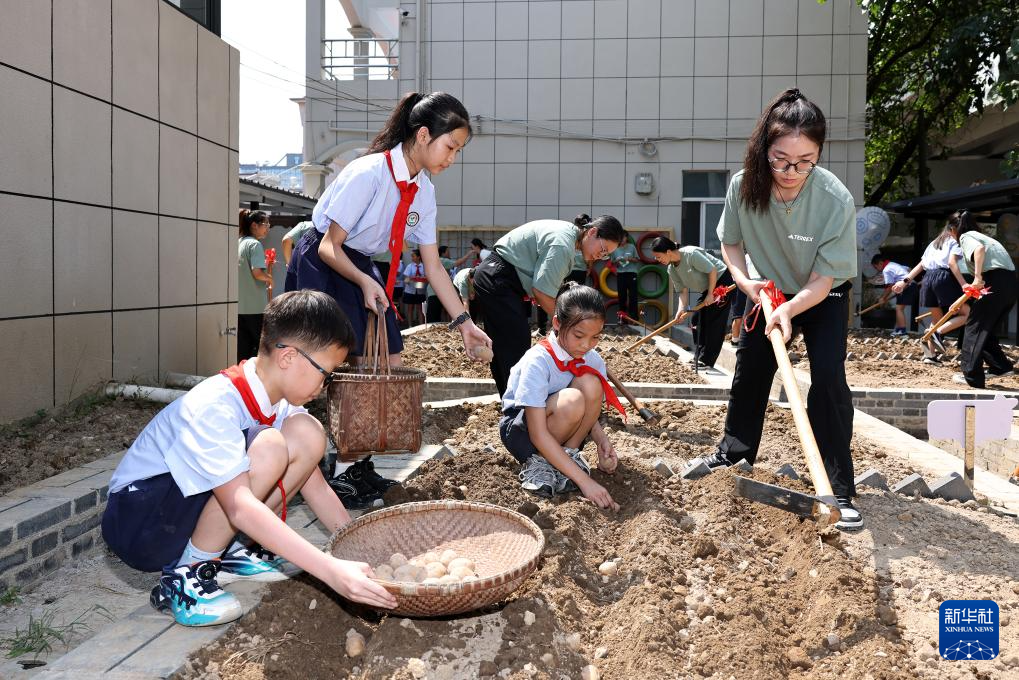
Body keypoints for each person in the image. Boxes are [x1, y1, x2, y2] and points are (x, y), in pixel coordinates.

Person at [101, 291, 398, 627]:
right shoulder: (217, 404)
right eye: (325, 373)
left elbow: (315, 487)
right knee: (271, 446)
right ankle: (186, 576)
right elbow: (240, 506)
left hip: (178, 506)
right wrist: (331, 571)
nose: (325, 385)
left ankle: (226, 553)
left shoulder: (280, 405)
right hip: (139, 520)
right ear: (288, 358)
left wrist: (359, 549)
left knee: (308, 433)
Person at [285, 91, 491, 507]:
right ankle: (315, 463)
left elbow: (434, 269)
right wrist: (363, 281)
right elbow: (329, 246)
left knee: (388, 365)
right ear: (422, 135)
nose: (452, 157)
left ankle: (355, 468)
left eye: (458, 150)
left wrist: (466, 326)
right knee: (322, 368)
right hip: (327, 262)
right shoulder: (369, 173)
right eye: (450, 146)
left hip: (361, 266)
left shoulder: (423, 192)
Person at [687, 88, 862, 531]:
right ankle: (734, 454)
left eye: (805, 161)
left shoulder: (835, 199)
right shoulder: (744, 185)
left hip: (822, 293)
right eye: (781, 159)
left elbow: (826, 278)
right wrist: (747, 284)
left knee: (827, 377)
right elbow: (731, 243)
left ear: (818, 154)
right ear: (764, 148)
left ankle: (838, 485)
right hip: (766, 290)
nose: (791, 171)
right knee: (751, 370)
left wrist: (793, 309)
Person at [473, 214, 627, 395]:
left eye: (605, 254)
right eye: (602, 249)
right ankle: (518, 406)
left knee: (508, 344)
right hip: (498, 278)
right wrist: (568, 324)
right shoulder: (562, 244)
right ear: (592, 232)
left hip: (499, 277)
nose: (600, 256)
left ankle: (514, 402)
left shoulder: (568, 238)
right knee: (515, 344)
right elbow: (542, 292)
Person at [499, 282, 621, 510]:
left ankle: (566, 458)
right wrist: (586, 482)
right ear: (557, 323)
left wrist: (602, 441)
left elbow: (590, 412)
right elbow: (537, 433)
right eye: (579, 335)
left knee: (591, 384)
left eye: (596, 337)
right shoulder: (538, 360)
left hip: (562, 428)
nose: (587, 345)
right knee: (573, 400)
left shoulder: (592, 358)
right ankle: (540, 464)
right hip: (523, 432)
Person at [947, 211, 1017, 387]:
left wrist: (977, 277)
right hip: (1009, 284)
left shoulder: (967, 236)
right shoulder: (984, 236)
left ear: (953, 230)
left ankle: (972, 376)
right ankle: (1000, 366)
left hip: (995, 280)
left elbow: (979, 250)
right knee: (986, 327)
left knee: (974, 327)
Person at [891, 221, 969, 363]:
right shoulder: (955, 241)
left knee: (936, 319)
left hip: (928, 279)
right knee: (968, 314)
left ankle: (930, 356)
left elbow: (922, 264)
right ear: (953, 229)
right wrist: (964, 284)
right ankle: (937, 333)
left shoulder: (934, 242)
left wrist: (904, 281)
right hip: (944, 278)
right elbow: (952, 263)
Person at [651, 236, 733, 369]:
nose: (657, 260)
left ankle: (706, 361)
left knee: (713, 320)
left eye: (658, 256)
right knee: (696, 319)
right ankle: (699, 357)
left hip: (722, 279)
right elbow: (682, 292)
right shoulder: (671, 269)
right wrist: (681, 310)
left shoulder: (690, 254)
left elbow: (712, 270)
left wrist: (711, 294)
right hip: (709, 287)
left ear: (668, 252)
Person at [238, 209, 273, 362]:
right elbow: (257, 273)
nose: (268, 228)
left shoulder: (239, 242)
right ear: (254, 225)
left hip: (240, 307)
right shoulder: (255, 244)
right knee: (260, 349)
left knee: (242, 350)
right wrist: (270, 278)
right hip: (256, 307)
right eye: (265, 224)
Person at [870, 253, 918, 337]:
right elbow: (909, 269)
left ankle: (902, 332)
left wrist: (883, 298)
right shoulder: (893, 264)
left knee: (899, 309)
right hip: (910, 285)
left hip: (906, 286)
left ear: (880, 263)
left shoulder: (886, 270)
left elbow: (889, 286)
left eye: (876, 267)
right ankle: (899, 329)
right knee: (899, 308)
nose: (877, 270)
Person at [610, 237, 640, 323]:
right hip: (621, 274)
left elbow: (637, 259)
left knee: (633, 296)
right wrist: (617, 260)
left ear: (626, 238)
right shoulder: (615, 248)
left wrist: (629, 259)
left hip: (632, 273)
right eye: (620, 237)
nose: (622, 239)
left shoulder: (631, 247)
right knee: (621, 297)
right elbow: (612, 262)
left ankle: (634, 319)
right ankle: (622, 319)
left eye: (623, 237)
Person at [425, 245, 456, 323]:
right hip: (435, 292)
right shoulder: (441, 260)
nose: (449, 254)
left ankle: (447, 326)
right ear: (443, 253)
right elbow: (458, 262)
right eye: (448, 252)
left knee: (440, 312)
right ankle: (433, 328)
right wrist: (469, 254)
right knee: (434, 313)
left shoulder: (440, 261)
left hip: (441, 291)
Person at [401, 249, 428, 326]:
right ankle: (410, 325)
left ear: (419, 257)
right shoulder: (410, 266)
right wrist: (409, 279)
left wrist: (422, 278)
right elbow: (406, 277)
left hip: (420, 289)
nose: (412, 258)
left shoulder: (424, 266)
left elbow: (426, 277)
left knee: (420, 308)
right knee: (410, 308)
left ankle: (421, 325)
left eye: (413, 256)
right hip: (410, 290)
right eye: (411, 256)